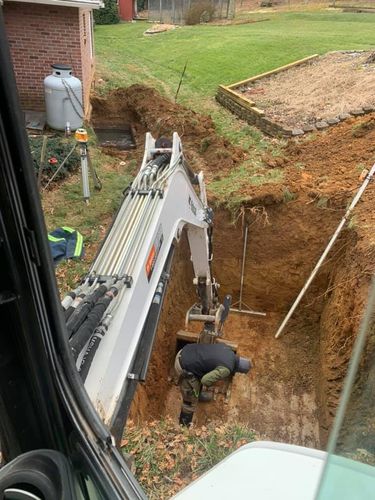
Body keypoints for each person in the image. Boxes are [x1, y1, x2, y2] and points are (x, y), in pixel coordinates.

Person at [174, 342, 252, 426]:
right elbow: (205, 381)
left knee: (199, 377)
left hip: (185, 351)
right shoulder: (226, 369)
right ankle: (183, 427)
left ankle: (198, 395)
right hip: (183, 366)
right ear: (238, 370)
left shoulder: (228, 350)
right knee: (189, 402)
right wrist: (215, 381)